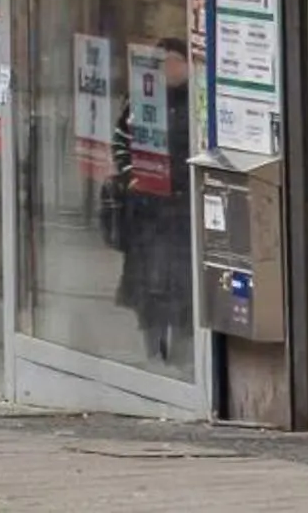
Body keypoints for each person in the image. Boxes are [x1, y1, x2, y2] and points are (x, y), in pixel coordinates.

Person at [106, 36, 194, 368]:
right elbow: (121, 141)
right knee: (150, 287)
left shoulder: (196, 102)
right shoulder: (142, 101)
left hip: (183, 207)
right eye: (163, 63)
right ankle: (154, 350)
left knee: (184, 286)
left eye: (175, 61)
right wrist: (133, 177)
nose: (169, 69)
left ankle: (184, 351)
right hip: (148, 211)